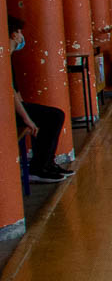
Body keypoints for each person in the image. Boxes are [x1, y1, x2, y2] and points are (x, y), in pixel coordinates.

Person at [9, 17, 70, 183]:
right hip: (7, 111)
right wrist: (26, 118)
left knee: (52, 115)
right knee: (55, 116)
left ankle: (47, 164)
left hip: (15, 107)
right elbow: (10, 94)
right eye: (20, 32)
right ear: (14, 35)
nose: (22, 36)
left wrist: (27, 110)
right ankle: (39, 168)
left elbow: (16, 93)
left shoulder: (9, 58)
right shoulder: (4, 58)